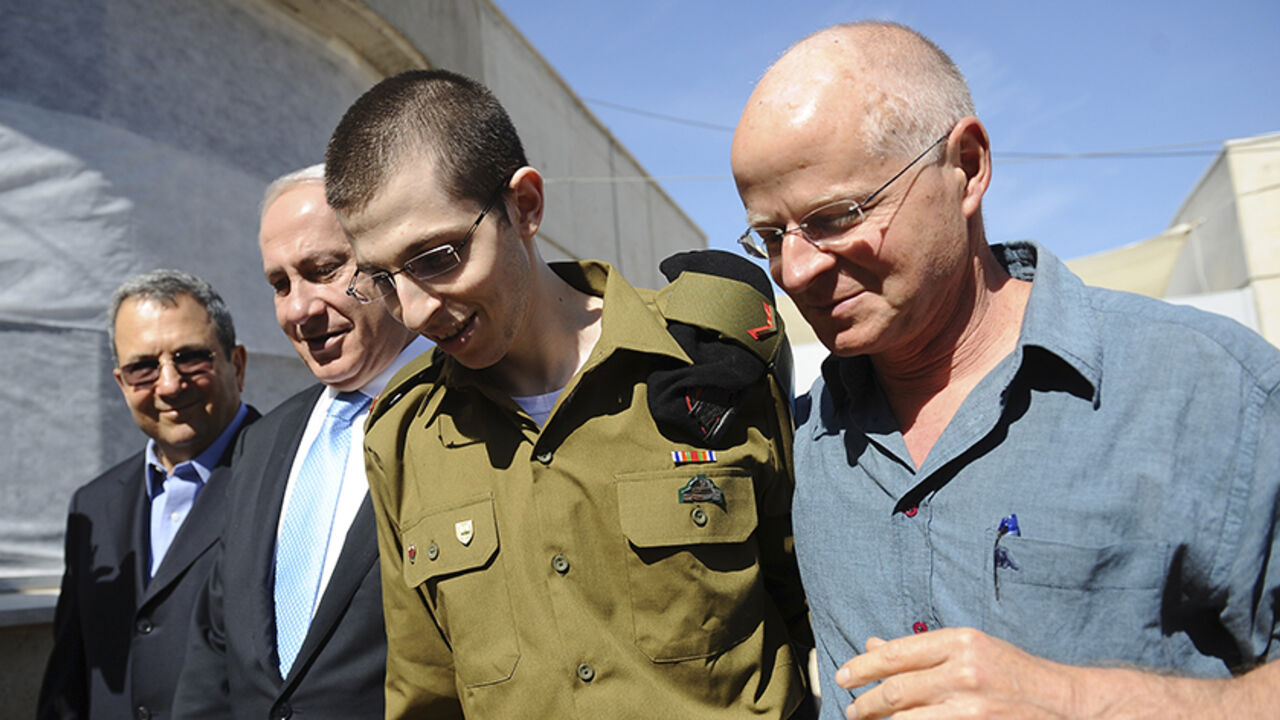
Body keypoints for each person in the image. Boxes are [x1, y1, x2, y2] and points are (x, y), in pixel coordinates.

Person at [730, 20, 1280, 720]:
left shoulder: (1209, 389)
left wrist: (1074, 699)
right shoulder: (797, 438)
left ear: (966, 166)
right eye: (771, 237)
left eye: (837, 217)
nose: (796, 270)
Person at [323, 69, 813, 719]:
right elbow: (427, 694)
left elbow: (814, 616)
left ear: (524, 206)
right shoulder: (405, 436)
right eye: (382, 279)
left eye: (436, 257)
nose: (412, 312)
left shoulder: (711, 362)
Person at [171, 165, 426, 719]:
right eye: (280, 284)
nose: (298, 310)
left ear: (386, 260)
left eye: (323, 270)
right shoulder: (262, 443)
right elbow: (218, 643)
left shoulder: (470, 416)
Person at [38, 269, 258, 720]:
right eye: (143, 368)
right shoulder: (94, 506)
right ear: (121, 383)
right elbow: (70, 678)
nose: (169, 384)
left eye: (190, 358)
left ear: (236, 364)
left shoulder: (287, 473)